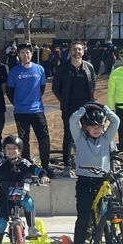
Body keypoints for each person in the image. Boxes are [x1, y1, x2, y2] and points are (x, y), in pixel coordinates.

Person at [66, 103, 120, 244]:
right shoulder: (80, 138)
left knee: (107, 218)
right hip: (84, 182)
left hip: (101, 181)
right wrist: (83, 108)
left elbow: (116, 121)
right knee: (83, 218)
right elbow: (72, 120)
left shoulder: (105, 138)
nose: (97, 129)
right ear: (85, 127)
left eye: (100, 126)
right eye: (92, 126)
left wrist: (105, 108)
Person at [0, 134, 49, 244]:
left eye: (15, 148)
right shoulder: (1, 162)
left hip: (21, 193)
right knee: (1, 223)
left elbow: (35, 169)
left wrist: (43, 175)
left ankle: (31, 228)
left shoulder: (24, 162)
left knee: (29, 203)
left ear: (20, 150)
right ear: (4, 150)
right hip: (5, 196)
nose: (12, 151)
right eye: (8, 148)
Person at [6, 43, 54, 177]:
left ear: (31, 54)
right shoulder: (14, 72)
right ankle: (26, 167)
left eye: (27, 52)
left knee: (44, 139)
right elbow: (10, 91)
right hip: (21, 112)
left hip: (37, 111)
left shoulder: (40, 69)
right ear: (19, 55)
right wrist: (19, 103)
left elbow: (42, 88)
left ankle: (45, 166)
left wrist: (34, 101)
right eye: (22, 53)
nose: (25, 55)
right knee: (23, 140)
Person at [52, 41, 97, 177]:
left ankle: (88, 163)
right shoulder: (62, 68)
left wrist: (89, 103)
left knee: (89, 134)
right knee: (69, 135)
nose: (77, 52)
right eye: (74, 49)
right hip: (69, 106)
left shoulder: (89, 67)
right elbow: (56, 88)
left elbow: (93, 85)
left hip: (87, 106)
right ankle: (66, 165)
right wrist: (64, 100)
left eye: (79, 49)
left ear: (83, 51)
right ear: (70, 52)